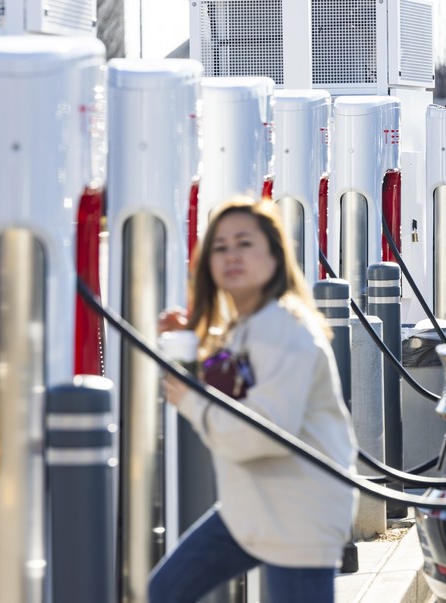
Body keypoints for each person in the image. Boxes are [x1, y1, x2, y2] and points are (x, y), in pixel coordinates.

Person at [149, 196, 358, 603]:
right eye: (220, 246)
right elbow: (235, 376)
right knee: (165, 592)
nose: (232, 255)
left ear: (275, 256)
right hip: (253, 508)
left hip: (299, 513)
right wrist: (194, 338)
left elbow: (260, 433)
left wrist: (190, 400)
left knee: (165, 593)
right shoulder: (250, 326)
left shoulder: (284, 329)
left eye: (245, 243)